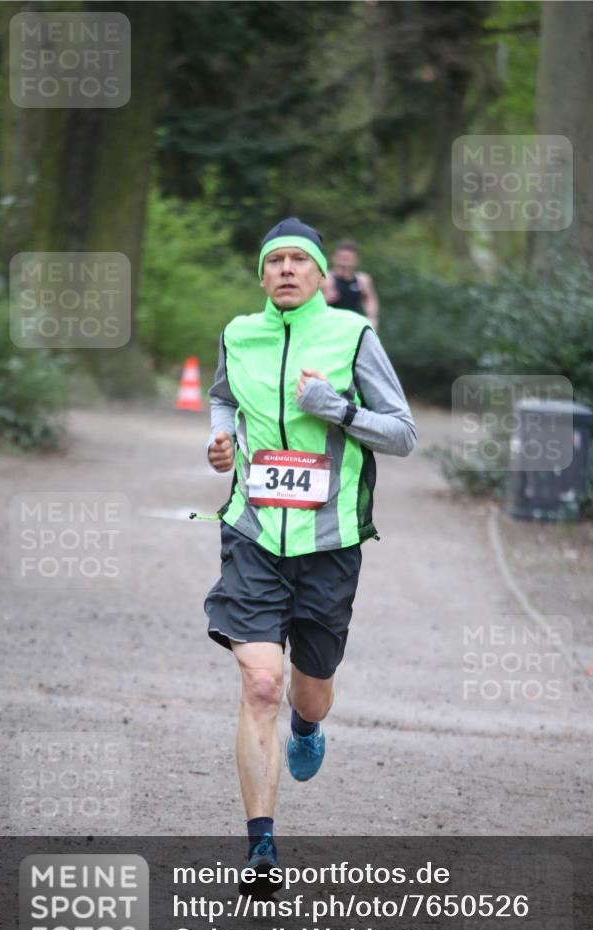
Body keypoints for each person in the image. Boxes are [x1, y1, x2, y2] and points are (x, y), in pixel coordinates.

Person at [204, 217, 415, 893]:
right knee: (260, 681)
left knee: (310, 687)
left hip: (329, 542)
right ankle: (260, 848)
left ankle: (306, 724)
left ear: (321, 274)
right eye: (276, 261)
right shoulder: (239, 334)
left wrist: (338, 411)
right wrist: (220, 442)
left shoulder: (353, 336)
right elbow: (220, 395)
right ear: (261, 275)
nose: (288, 270)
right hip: (254, 533)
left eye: (301, 260)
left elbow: (403, 434)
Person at [322, 239, 380, 331]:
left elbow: (370, 299)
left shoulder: (362, 279)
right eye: (342, 257)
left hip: (352, 326)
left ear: (356, 260)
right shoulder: (325, 278)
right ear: (334, 258)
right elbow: (308, 302)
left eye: (348, 258)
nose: (345, 260)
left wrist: (372, 317)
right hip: (329, 325)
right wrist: (324, 300)